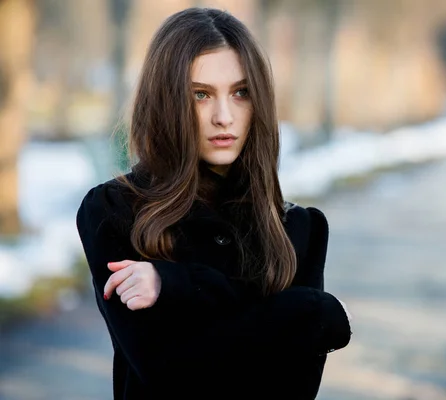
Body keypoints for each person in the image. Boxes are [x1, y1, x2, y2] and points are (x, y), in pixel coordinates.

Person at [76, 7, 352, 400]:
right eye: (200, 95)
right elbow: (173, 374)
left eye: (241, 93)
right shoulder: (114, 211)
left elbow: (294, 387)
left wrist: (174, 285)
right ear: (166, 102)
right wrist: (312, 311)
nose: (224, 116)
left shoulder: (298, 228)